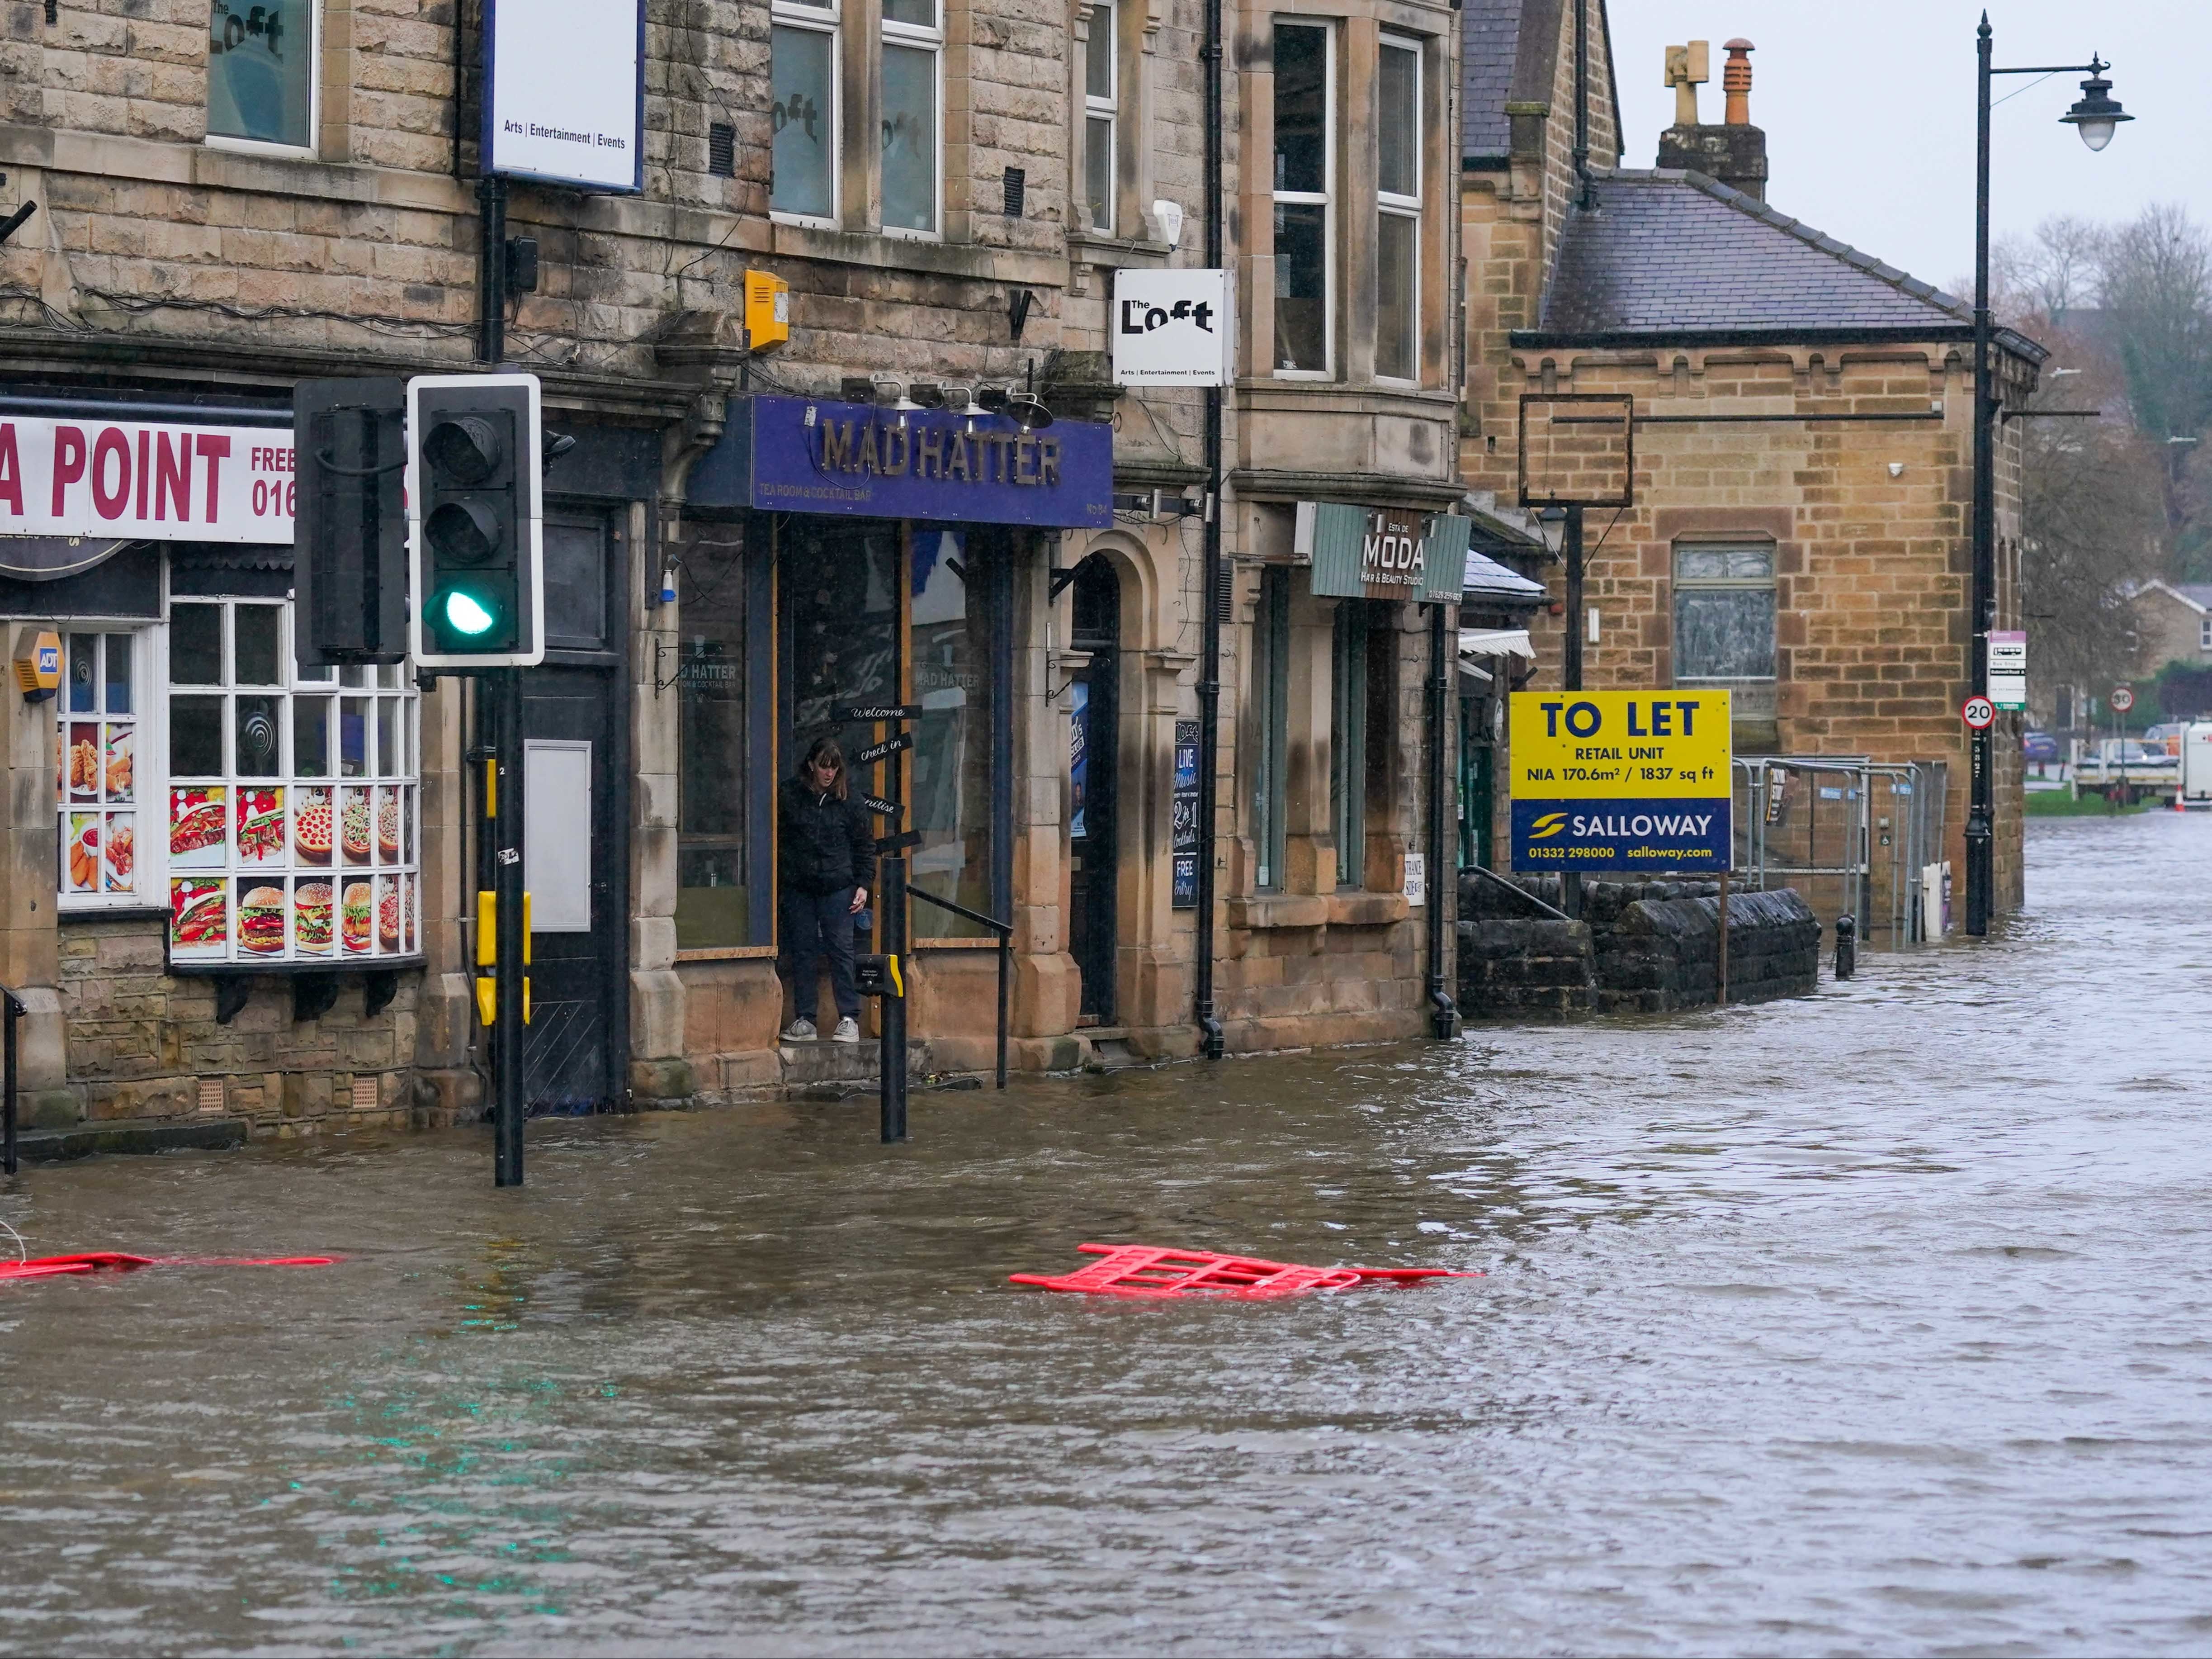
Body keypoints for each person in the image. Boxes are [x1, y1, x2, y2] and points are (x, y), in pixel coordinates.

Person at [778, 736, 875, 1042]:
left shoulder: (849, 800)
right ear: (811, 765)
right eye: (824, 767)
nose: (829, 774)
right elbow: (780, 837)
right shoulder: (791, 795)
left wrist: (863, 884)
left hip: (837, 885)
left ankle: (849, 1018)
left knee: (841, 951)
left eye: (834, 768)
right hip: (801, 885)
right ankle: (806, 1018)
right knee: (803, 951)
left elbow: (864, 845)